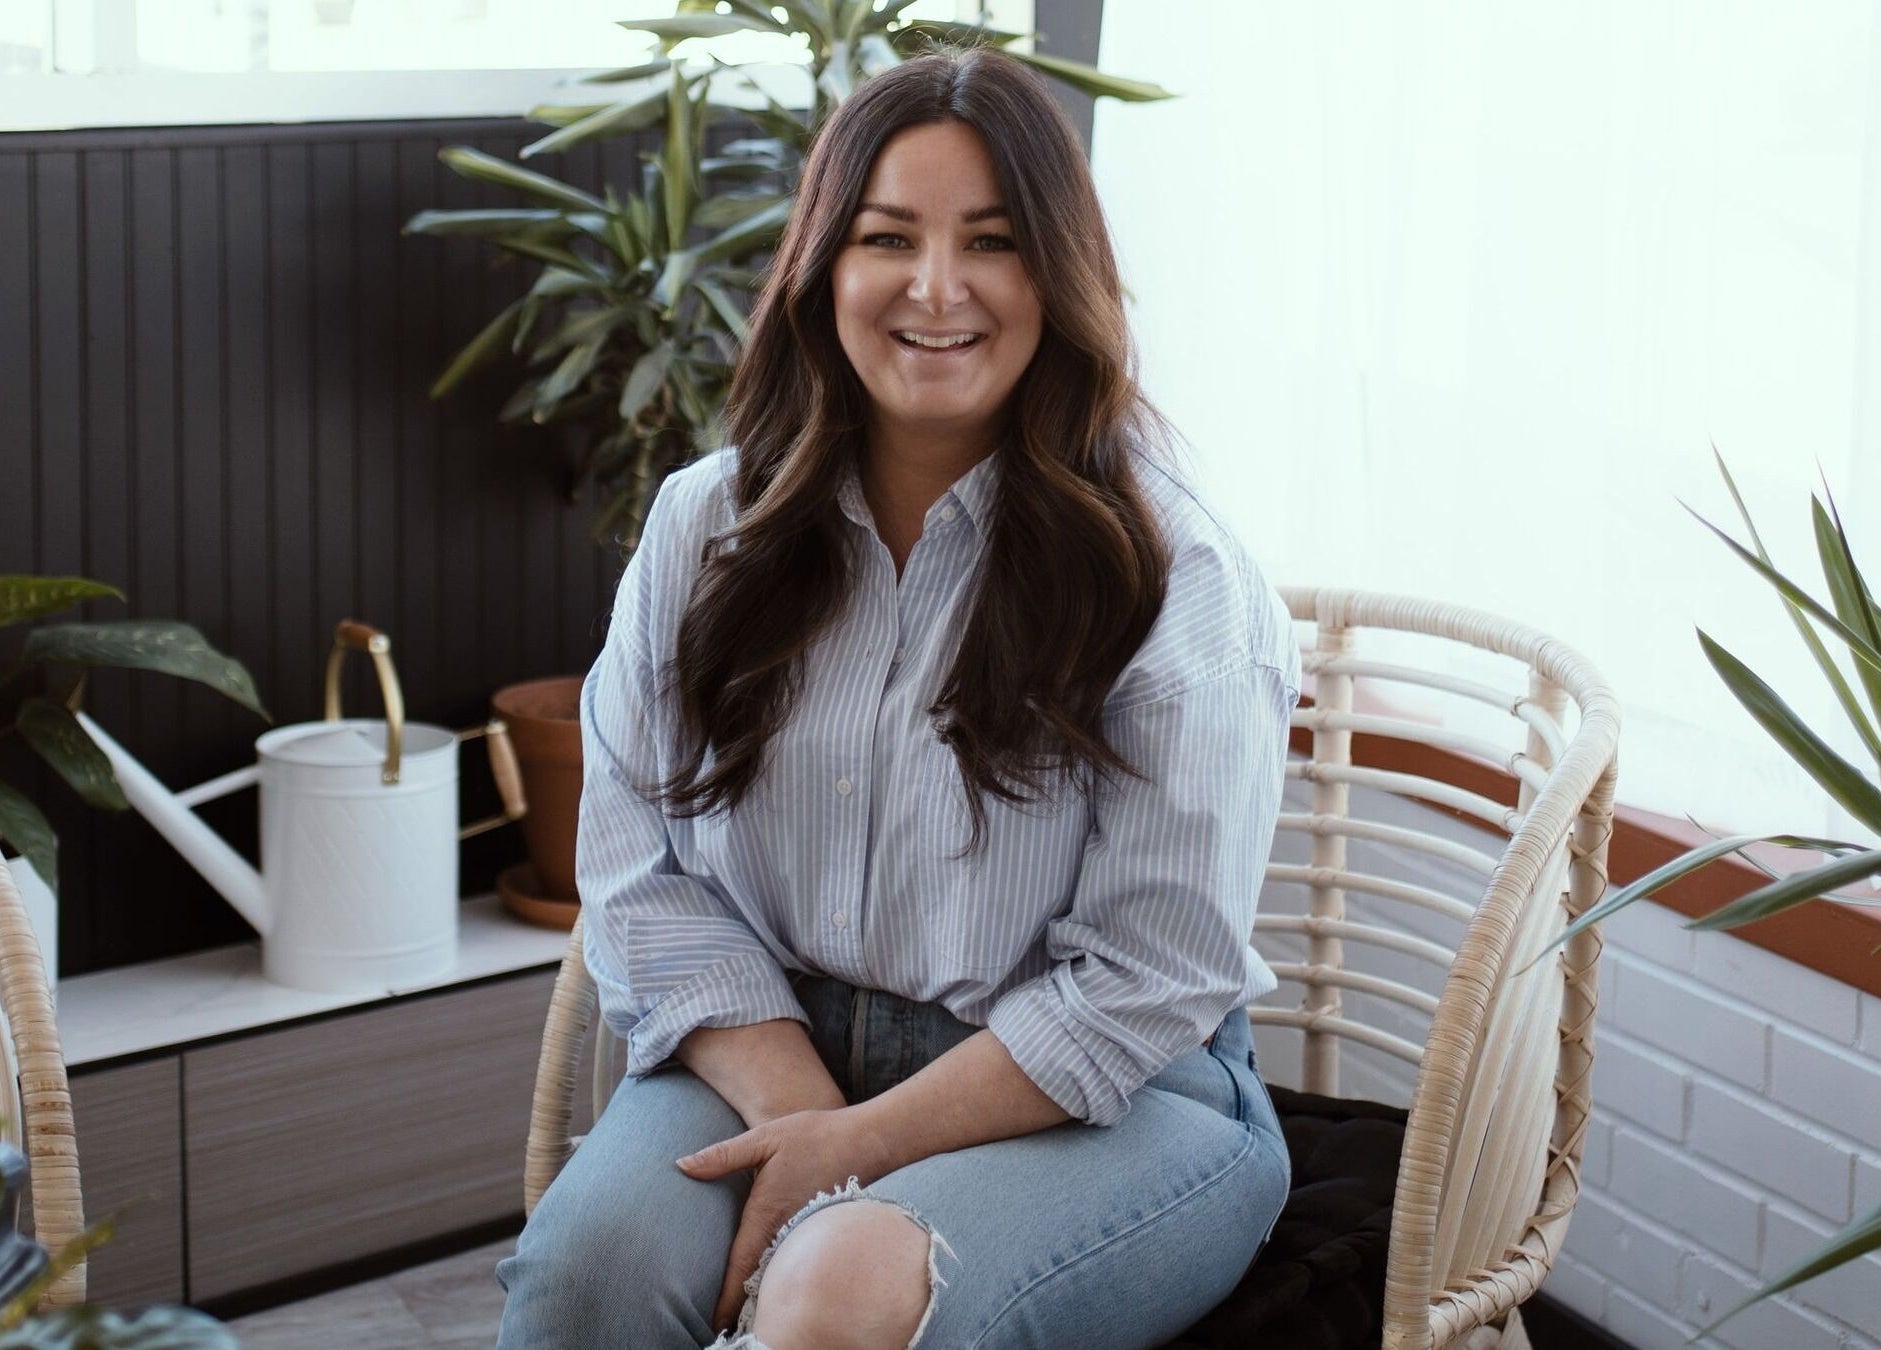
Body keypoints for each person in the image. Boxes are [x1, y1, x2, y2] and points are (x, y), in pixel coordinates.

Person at [497, 43, 1299, 1350]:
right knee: (585, 1280)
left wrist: (853, 1152)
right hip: (770, 1039)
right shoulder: (704, 526)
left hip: (1116, 1095)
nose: (935, 288)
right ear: (824, 270)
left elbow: (1151, 975)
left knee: (841, 1290)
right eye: (887, 238)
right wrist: (802, 1108)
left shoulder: (1176, 575)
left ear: (1059, 274)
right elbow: (640, 871)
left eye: (991, 241)